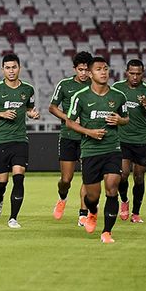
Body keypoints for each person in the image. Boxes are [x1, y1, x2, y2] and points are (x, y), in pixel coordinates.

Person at [66, 56, 129, 243]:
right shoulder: (81, 96)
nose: (103, 72)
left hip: (112, 148)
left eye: (106, 68)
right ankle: (92, 211)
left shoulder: (118, 96)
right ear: (91, 73)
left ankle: (107, 232)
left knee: (112, 187)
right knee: (92, 196)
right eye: (99, 69)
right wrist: (89, 132)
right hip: (90, 150)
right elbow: (69, 122)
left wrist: (120, 120)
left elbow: (126, 118)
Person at [0, 53, 40, 229]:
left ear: (19, 68)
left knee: (19, 177)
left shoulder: (28, 90)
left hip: (20, 140)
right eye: (8, 67)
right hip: (0, 140)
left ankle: (13, 218)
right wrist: (1, 114)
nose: (11, 71)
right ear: (3, 70)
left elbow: (29, 109)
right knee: (1, 182)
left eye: (14, 67)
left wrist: (32, 114)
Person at [112, 59, 146, 223]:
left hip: (141, 138)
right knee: (122, 175)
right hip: (121, 138)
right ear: (126, 73)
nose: (135, 77)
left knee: (139, 178)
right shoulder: (117, 88)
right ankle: (124, 201)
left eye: (138, 74)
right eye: (132, 73)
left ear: (142, 74)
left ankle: (136, 213)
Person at [49, 51, 93, 226]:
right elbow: (52, 107)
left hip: (88, 138)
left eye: (86, 70)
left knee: (87, 178)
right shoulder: (65, 85)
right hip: (68, 137)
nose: (83, 73)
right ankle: (62, 197)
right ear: (75, 69)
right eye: (80, 69)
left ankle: (83, 213)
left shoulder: (96, 86)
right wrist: (69, 118)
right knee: (65, 180)